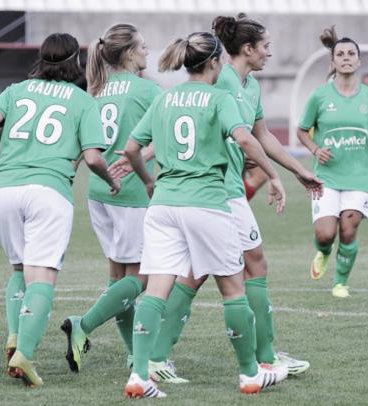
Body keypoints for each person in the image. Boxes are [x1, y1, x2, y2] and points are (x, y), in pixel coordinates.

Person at [146, 14, 322, 384]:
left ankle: (157, 356)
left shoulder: (250, 85)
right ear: (247, 49)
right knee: (255, 264)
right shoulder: (220, 80)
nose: (270, 53)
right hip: (218, 191)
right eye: (266, 46)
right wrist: (273, 177)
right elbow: (199, 122)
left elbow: (262, 136)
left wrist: (295, 169)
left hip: (219, 192)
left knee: (195, 272)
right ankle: (266, 358)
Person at [121, 31, 289, 399]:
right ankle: (250, 374)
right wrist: (274, 175)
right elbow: (245, 139)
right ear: (214, 62)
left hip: (164, 205)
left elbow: (133, 149)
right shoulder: (219, 98)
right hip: (207, 204)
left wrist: (150, 181)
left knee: (155, 291)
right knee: (233, 289)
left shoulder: (165, 99)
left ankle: (140, 375)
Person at [0, 33, 120, 387]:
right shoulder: (81, 99)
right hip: (48, 191)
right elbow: (92, 157)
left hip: (4, 189)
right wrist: (111, 179)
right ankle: (25, 355)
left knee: (18, 268)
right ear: (73, 60)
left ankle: (15, 336)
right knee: (42, 275)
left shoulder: (17, 90)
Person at [59, 23, 161, 373]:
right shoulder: (147, 90)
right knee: (140, 280)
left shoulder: (96, 89)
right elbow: (161, 138)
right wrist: (141, 163)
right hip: (129, 192)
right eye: (144, 46)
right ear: (130, 53)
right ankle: (82, 325)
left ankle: (134, 353)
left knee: (118, 279)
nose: (148, 52)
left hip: (98, 191)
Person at [297, 26, 368, 298]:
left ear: (358, 60)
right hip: (327, 176)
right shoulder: (320, 96)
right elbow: (302, 131)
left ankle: (340, 283)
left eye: (351, 53)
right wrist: (316, 149)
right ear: (333, 62)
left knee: (349, 230)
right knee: (326, 234)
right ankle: (324, 251)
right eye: (340, 54)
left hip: (358, 177)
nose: (346, 57)